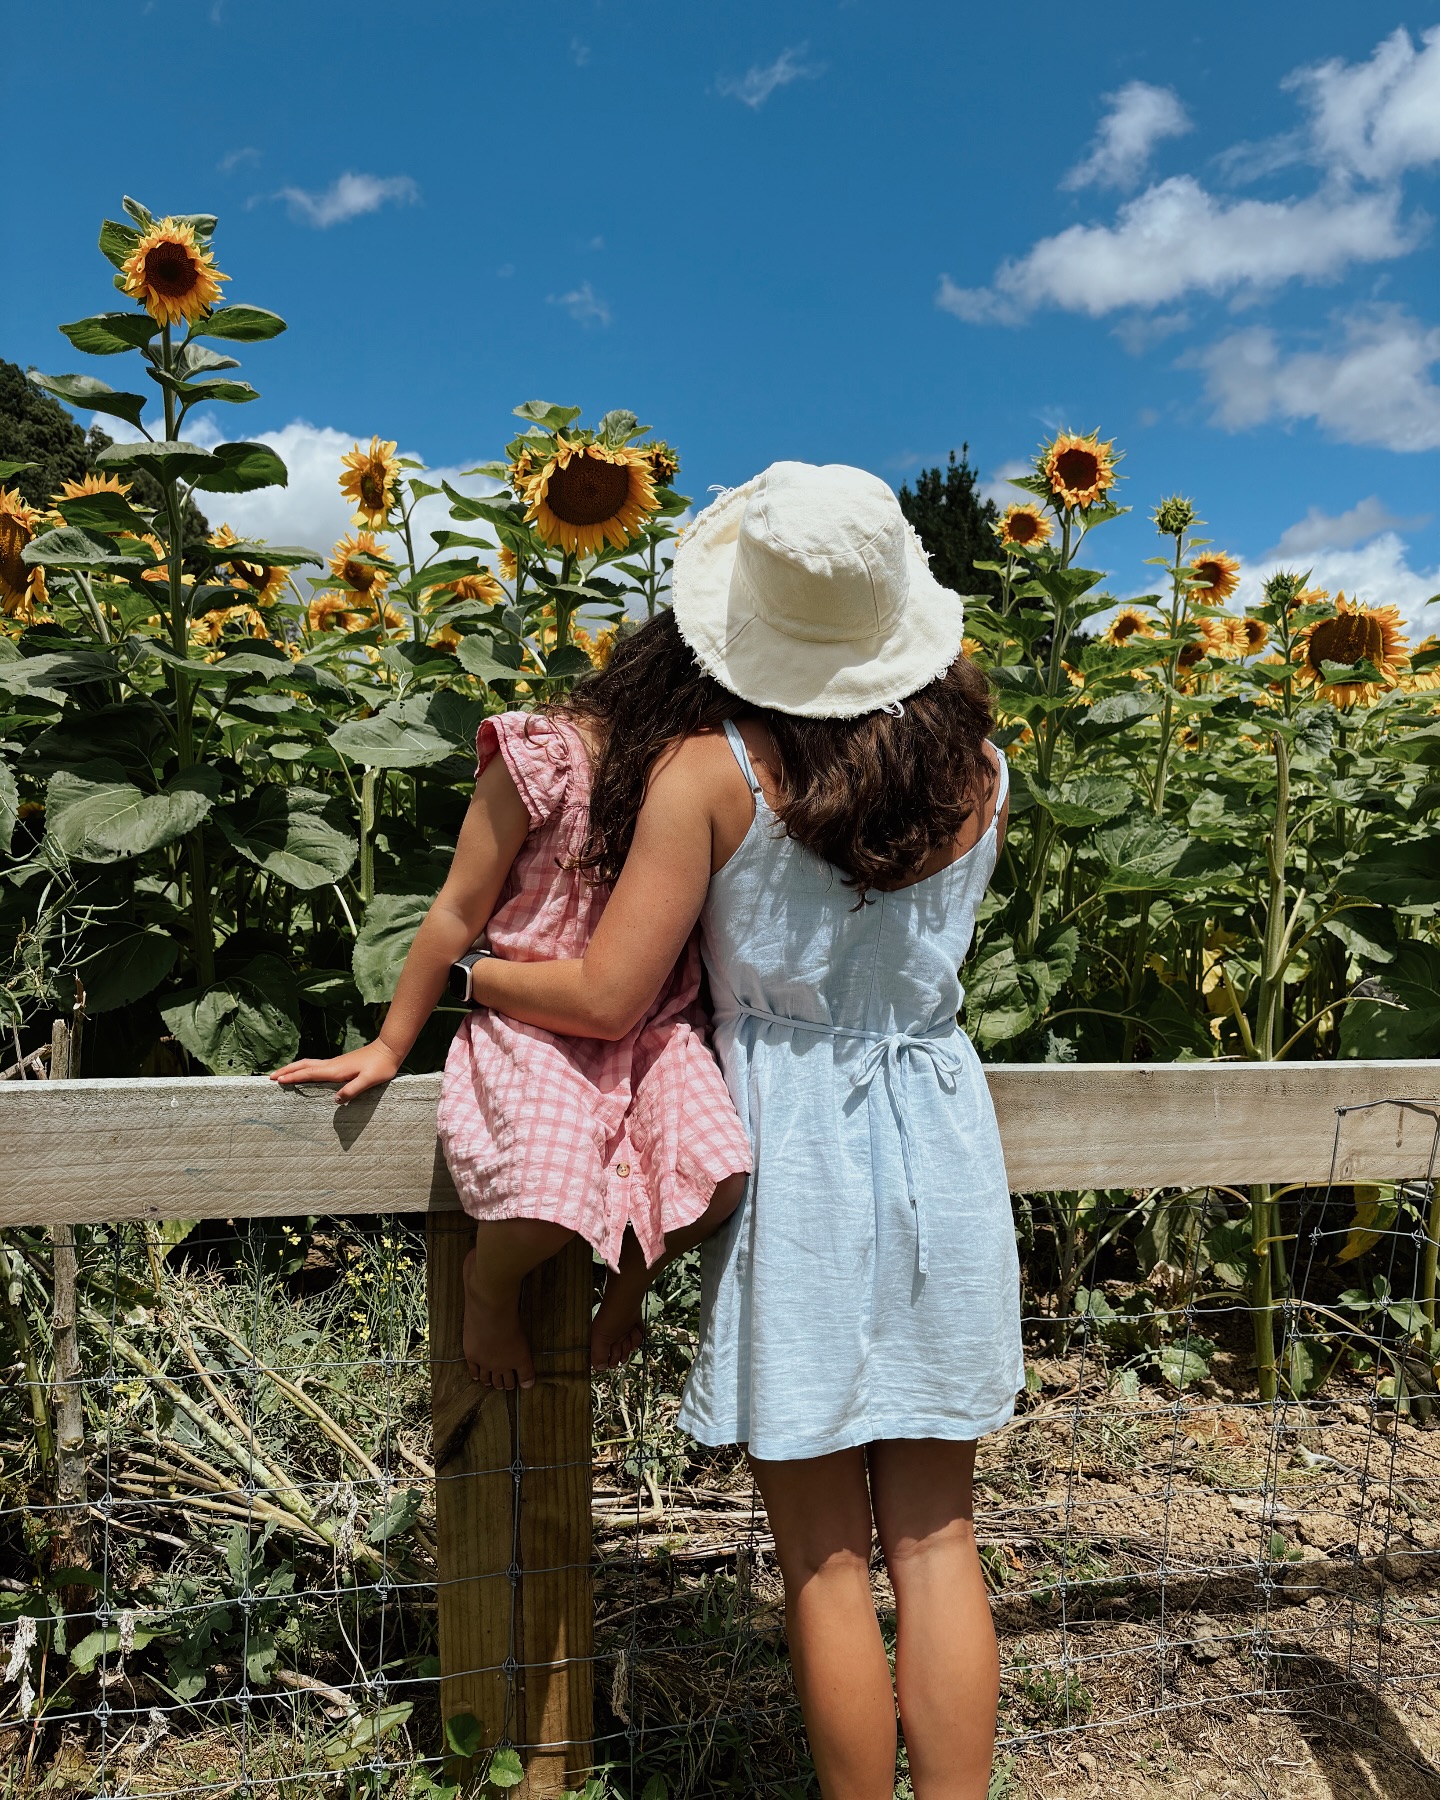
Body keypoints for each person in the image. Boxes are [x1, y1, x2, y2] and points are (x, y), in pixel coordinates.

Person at [460, 461, 1024, 1800]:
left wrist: (476, 975)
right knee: (941, 1541)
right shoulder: (983, 772)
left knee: (826, 1558)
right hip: (941, 1131)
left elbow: (607, 995)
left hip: (799, 1158)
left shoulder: (718, 773)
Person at [269, 659, 753, 1390]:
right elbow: (458, 908)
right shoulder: (546, 757)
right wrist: (391, 1043)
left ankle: (627, 1288)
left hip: (654, 1023)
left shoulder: (699, 779)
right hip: (531, 1016)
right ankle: (487, 1289)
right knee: (543, 1199)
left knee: (717, 1178)